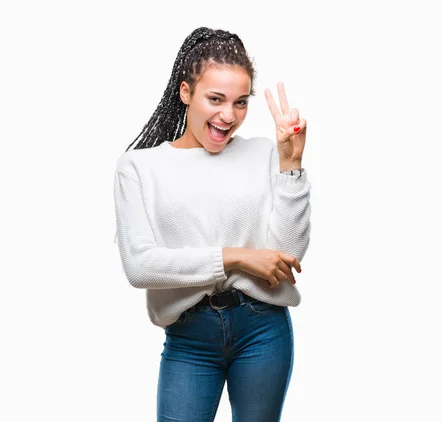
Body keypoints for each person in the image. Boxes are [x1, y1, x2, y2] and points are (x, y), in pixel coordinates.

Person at [112, 27, 311, 422]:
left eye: (240, 103)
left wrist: (291, 166)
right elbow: (140, 265)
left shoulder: (262, 155)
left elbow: (287, 256)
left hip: (262, 330)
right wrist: (236, 258)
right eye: (215, 99)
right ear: (186, 92)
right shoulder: (139, 167)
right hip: (190, 337)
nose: (228, 116)